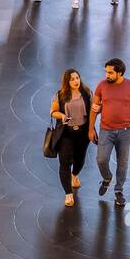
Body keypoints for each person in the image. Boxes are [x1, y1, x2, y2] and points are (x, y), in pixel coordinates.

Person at [89, 58, 130, 208]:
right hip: (106, 130)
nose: (107, 75)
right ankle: (107, 178)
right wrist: (90, 129)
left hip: (125, 131)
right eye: (106, 72)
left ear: (119, 73)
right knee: (101, 159)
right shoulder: (101, 85)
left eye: (110, 72)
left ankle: (119, 191)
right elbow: (94, 109)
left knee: (122, 163)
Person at [50, 69, 91, 206]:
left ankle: (75, 175)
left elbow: (93, 109)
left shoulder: (86, 92)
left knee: (80, 160)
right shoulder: (60, 95)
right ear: (67, 81)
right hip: (66, 134)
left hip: (82, 133)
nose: (76, 81)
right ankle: (68, 194)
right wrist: (61, 116)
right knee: (64, 162)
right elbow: (53, 111)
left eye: (77, 78)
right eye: (72, 79)